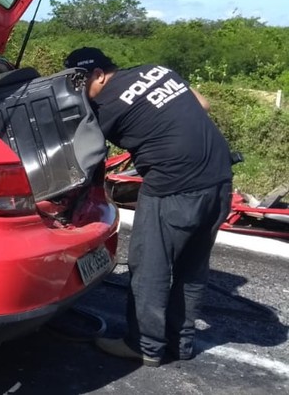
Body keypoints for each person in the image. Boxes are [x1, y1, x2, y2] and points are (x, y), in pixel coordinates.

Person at [64, 47, 233, 367]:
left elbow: (83, 154)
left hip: (174, 187)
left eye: (80, 82)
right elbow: (203, 103)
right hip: (220, 182)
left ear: (98, 74)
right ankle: (180, 343)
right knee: (191, 267)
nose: (79, 91)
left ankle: (145, 345)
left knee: (150, 268)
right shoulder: (156, 70)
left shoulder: (105, 105)